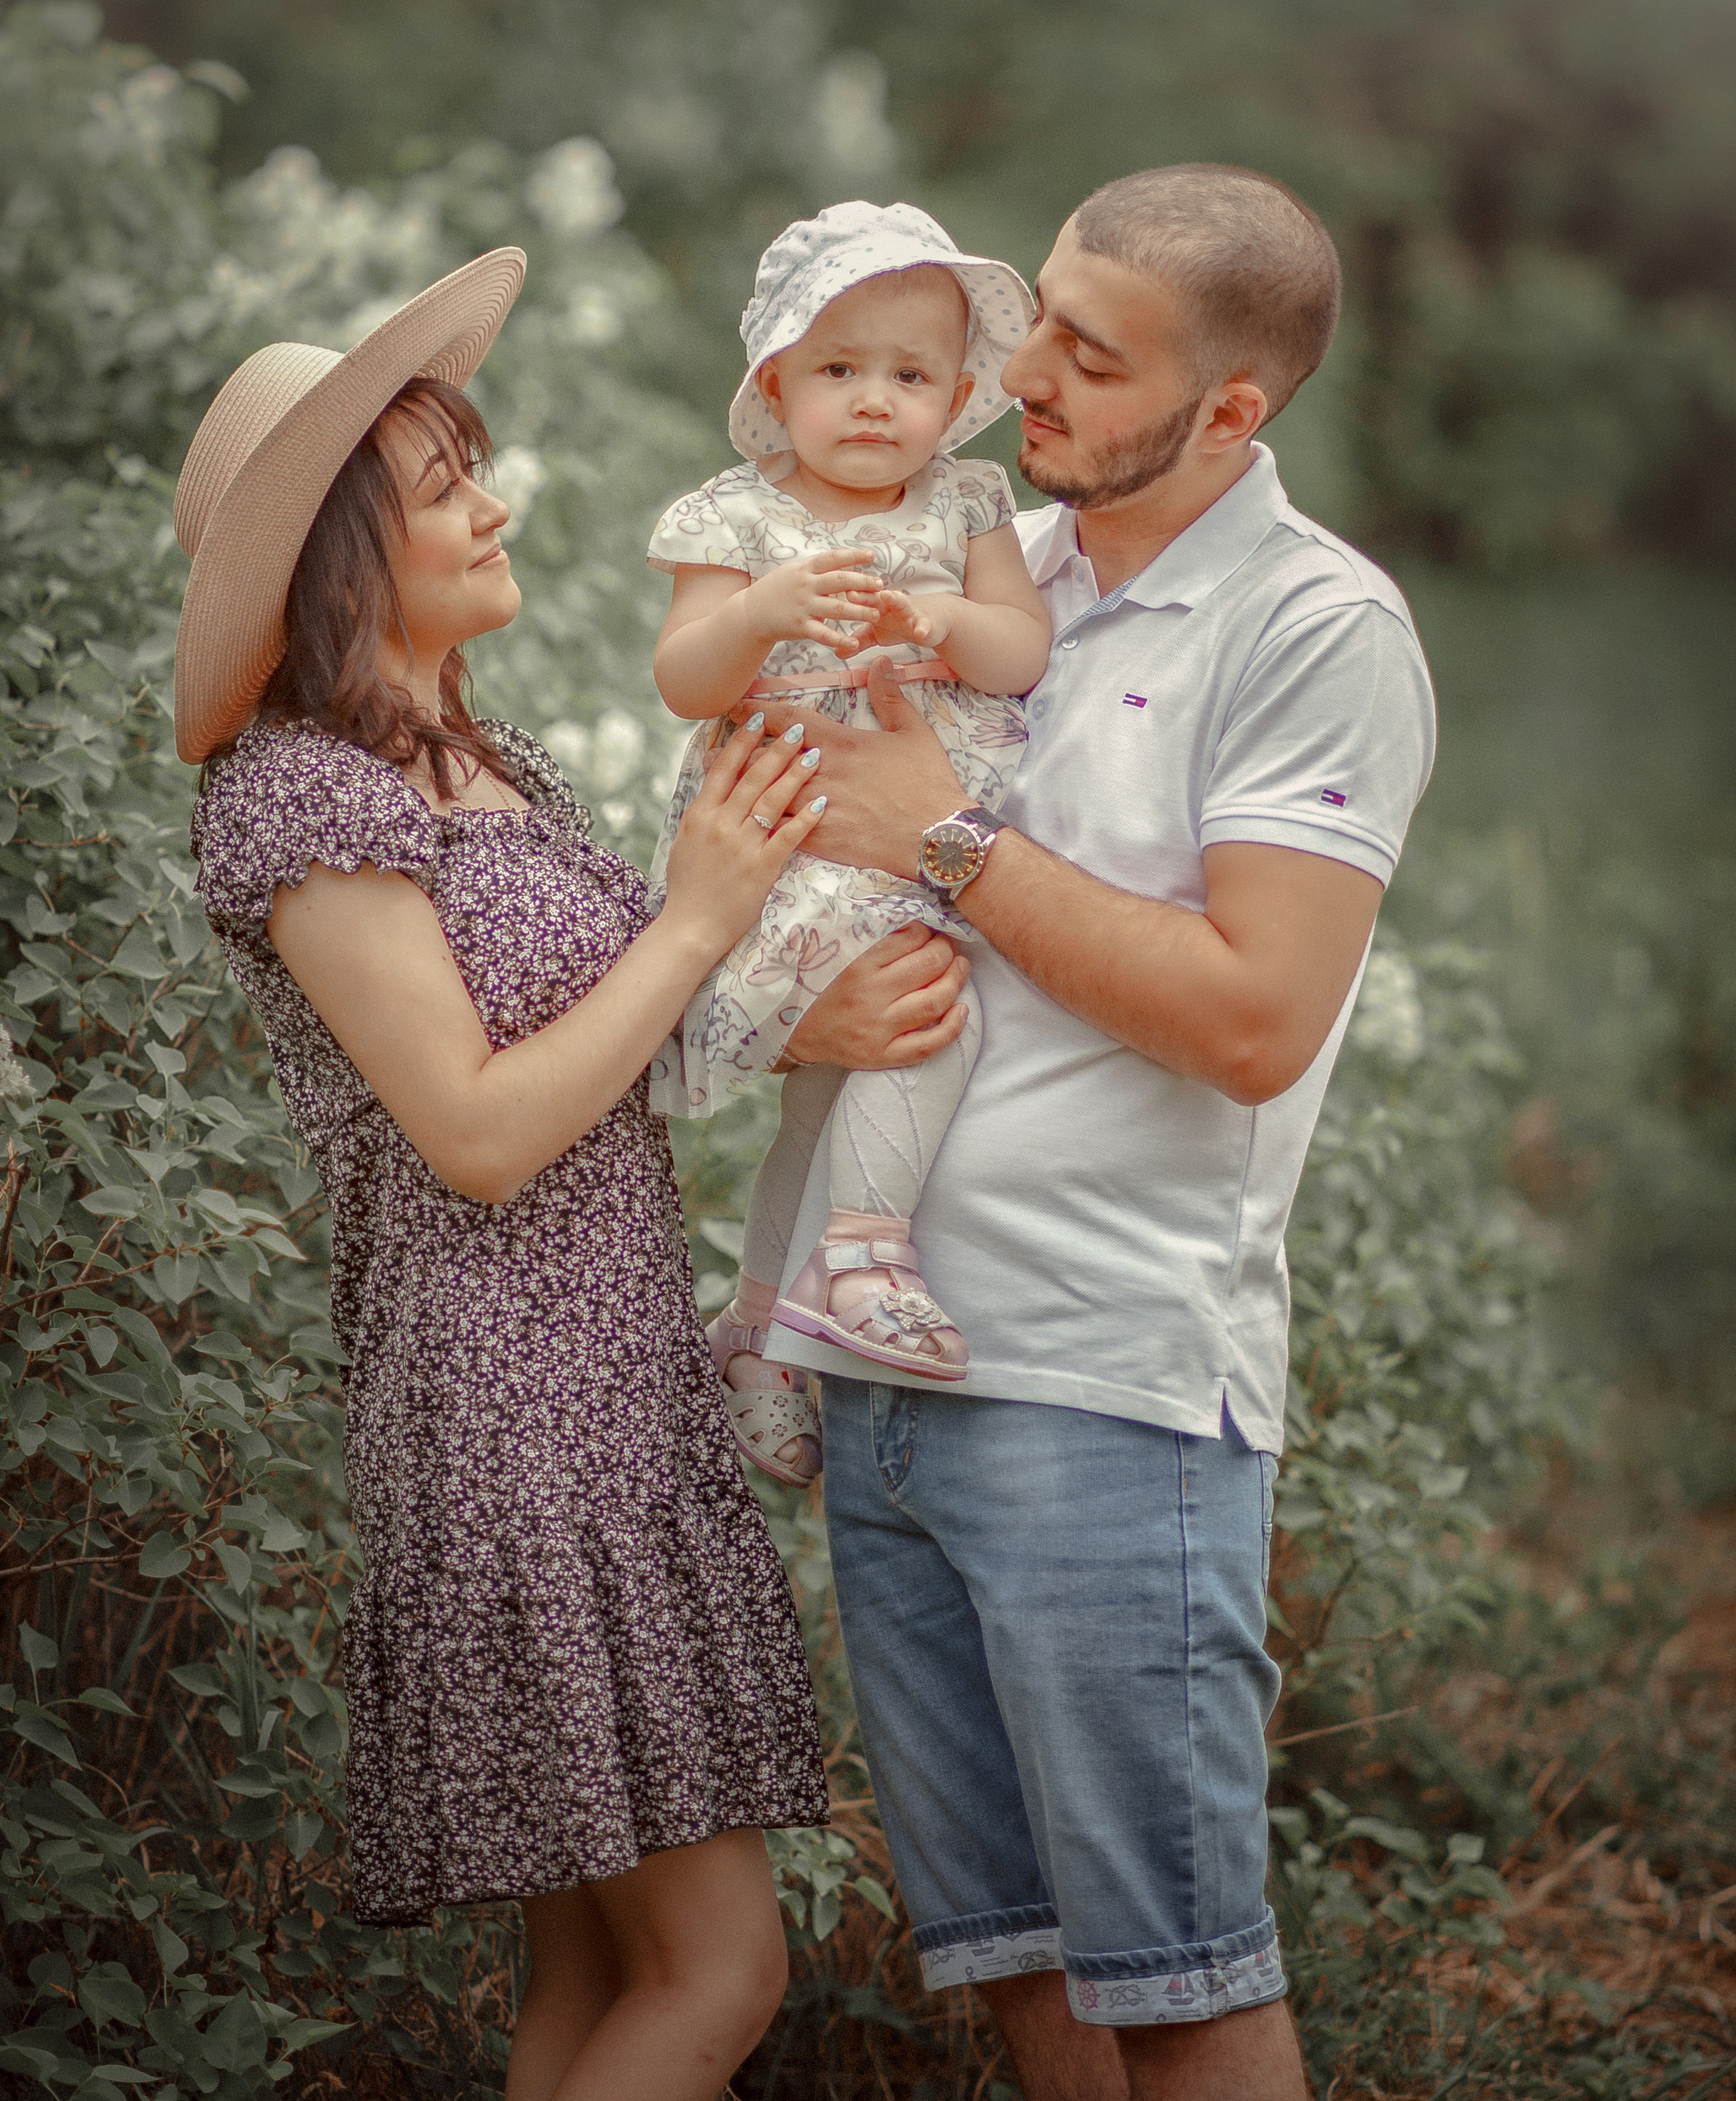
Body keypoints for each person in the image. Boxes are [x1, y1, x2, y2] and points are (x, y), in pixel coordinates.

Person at [768, 167, 1438, 2101]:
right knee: (1027, 1975)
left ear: (1231, 409)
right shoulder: (987, 572)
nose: (1019, 372)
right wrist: (804, 1015)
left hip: (1105, 1389)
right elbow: (829, 895)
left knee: (1181, 1986)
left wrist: (947, 839)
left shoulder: (1316, 628)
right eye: (1039, 315)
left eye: (1089, 352)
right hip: (886, 1373)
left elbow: (1252, 1021)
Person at [174, 251, 851, 2101]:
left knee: (597, 1971)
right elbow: (472, 1133)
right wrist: (697, 915)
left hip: (614, 1393)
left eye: (477, 466)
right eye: (442, 485)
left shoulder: (489, 763)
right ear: (339, 559)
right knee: (723, 1971)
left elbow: (631, 1049)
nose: (495, 503)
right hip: (510, 1420)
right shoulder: (304, 795)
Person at [645, 201, 1048, 1483]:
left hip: (915, 829)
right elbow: (685, 681)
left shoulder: (970, 503)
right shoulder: (735, 519)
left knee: (832, 1095)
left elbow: (1021, 650)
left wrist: (945, 624)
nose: (876, 400)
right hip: (789, 839)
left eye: (912, 376)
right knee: (931, 1018)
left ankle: (760, 1328)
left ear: (961, 398)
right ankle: (864, 1258)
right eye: (838, 368)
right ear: (776, 383)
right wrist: (759, 614)